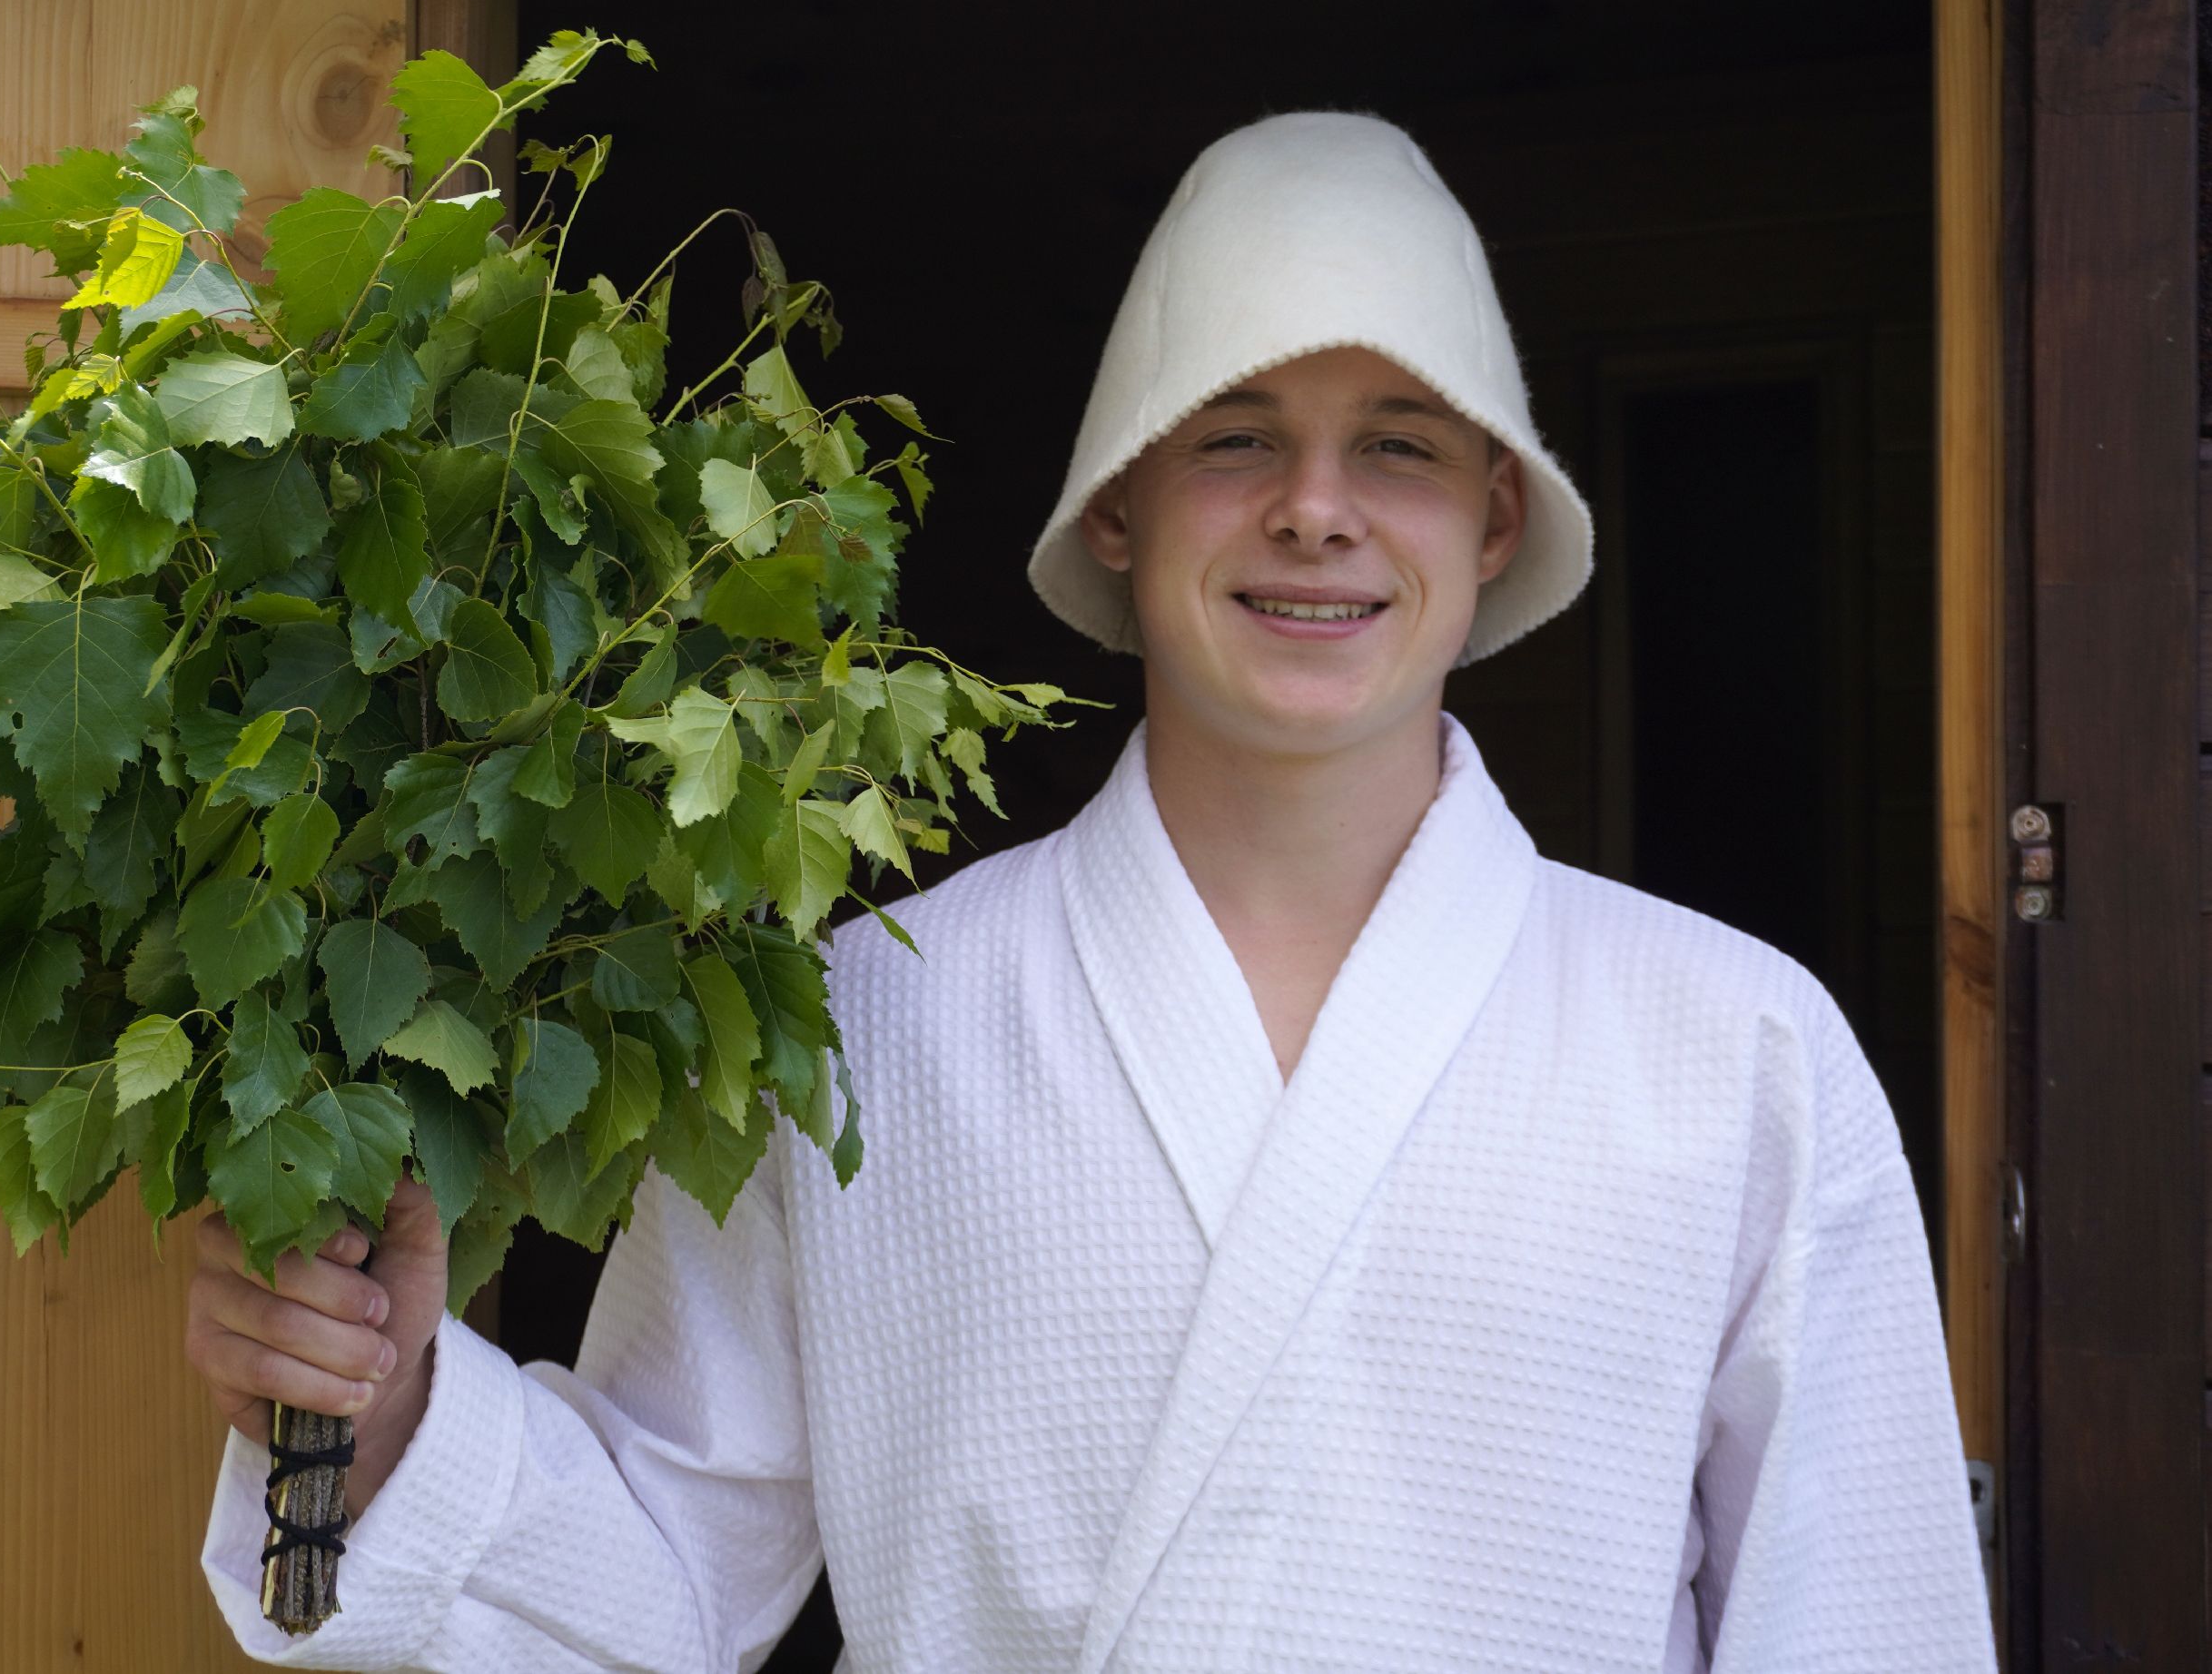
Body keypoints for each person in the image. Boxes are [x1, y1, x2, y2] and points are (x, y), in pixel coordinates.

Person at [182, 112, 1998, 1671]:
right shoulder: (864, 1024)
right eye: (1235, 436)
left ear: (1494, 524)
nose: (1313, 508)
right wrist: (385, 1407)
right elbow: (660, 1584)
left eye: (1401, 444)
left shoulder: (1738, 1049)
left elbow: (1863, 1627)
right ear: (1118, 506)